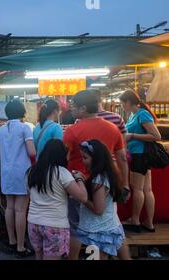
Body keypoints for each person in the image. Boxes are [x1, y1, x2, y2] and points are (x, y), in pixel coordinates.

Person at [63, 89, 129, 259]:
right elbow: (122, 158)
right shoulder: (113, 128)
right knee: (110, 222)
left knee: (76, 226)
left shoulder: (72, 131)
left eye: (73, 106)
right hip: (106, 184)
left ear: (83, 108)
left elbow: (64, 158)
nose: (71, 109)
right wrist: (125, 184)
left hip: (79, 184)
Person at [27, 139, 88, 260]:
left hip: (33, 222)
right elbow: (83, 197)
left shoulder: (31, 171)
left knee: (38, 256)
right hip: (54, 225)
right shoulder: (62, 173)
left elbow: (30, 193)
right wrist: (79, 179)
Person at [72, 140, 126, 259]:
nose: (83, 161)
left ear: (96, 159)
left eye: (85, 157)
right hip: (110, 225)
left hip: (100, 231)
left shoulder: (99, 179)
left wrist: (83, 196)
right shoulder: (107, 174)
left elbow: (98, 209)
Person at [0, 100, 36, 258]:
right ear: (22, 112)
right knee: (21, 210)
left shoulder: (1, 129)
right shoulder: (25, 128)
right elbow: (32, 152)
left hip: (6, 172)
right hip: (21, 172)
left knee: (10, 207)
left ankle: (12, 241)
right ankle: (21, 246)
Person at [120, 90, 161, 233]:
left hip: (140, 155)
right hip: (140, 154)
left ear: (128, 102)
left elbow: (156, 135)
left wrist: (132, 135)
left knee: (138, 189)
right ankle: (148, 222)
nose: (122, 106)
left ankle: (135, 220)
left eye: (123, 103)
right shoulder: (133, 115)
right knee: (146, 189)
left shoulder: (142, 114)